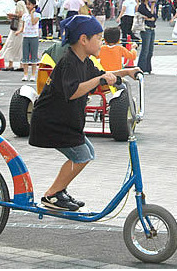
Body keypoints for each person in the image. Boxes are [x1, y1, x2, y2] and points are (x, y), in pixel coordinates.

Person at [28, 15, 141, 211]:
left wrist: (126, 72)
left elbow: (102, 75)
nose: (101, 42)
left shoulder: (84, 61)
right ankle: (51, 195)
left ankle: (59, 191)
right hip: (51, 121)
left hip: (65, 121)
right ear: (83, 40)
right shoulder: (68, 62)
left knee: (87, 153)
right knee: (81, 156)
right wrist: (100, 81)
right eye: (98, 37)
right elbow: (72, 92)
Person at [0, 0, 27, 71]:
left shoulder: (19, 3)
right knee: (20, 46)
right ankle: (21, 65)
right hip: (23, 26)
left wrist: (12, 15)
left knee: (11, 44)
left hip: (18, 27)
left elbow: (20, 14)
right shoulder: (24, 3)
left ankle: (10, 64)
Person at [16, 0, 40, 81]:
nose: (27, 6)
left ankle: (33, 75)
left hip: (34, 37)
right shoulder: (24, 16)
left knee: (34, 57)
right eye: (26, 4)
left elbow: (33, 22)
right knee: (25, 56)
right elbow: (23, 27)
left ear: (34, 5)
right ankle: (25, 74)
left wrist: (32, 13)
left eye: (29, 4)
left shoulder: (37, 15)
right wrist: (19, 31)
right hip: (26, 37)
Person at [136, 0, 156, 74]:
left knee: (150, 50)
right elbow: (150, 15)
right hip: (145, 29)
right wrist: (151, 15)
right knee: (145, 49)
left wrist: (150, 17)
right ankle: (141, 68)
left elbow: (154, 17)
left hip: (152, 29)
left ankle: (148, 68)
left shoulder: (149, 5)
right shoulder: (142, 6)